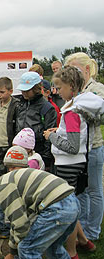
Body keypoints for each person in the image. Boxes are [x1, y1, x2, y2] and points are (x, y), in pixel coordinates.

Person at [44, 66, 104, 259]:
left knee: (67, 209)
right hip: (76, 162)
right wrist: (59, 132)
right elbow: (74, 135)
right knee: (71, 205)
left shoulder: (71, 112)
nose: (57, 91)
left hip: (68, 164)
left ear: (71, 86)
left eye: (59, 87)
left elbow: (71, 146)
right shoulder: (77, 107)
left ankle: (71, 253)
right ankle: (84, 241)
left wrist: (52, 136)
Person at [0, 168, 79, 259]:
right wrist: (12, 253)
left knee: (27, 249)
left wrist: (15, 249)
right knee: (53, 247)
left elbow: (21, 225)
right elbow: (21, 220)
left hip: (56, 208)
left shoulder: (1, 189)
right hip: (70, 202)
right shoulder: (9, 181)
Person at [65, 52, 104, 242]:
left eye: (76, 69)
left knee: (95, 189)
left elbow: (101, 116)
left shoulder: (96, 89)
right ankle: (81, 231)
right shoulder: (75, 90)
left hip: (93, 146)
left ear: (87, 69)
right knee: (82, 189)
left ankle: (93, 231)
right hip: (79, 147)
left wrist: (83, 111)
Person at [15, 71, 57, 172]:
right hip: (19, 152)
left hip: (38, 154)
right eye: (22, 90)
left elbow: (49, 134)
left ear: (36, 89)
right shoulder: (20, 105)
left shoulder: (47, 108)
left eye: (27, 90)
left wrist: (46, 159)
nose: (24, 93)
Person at [0, 77, 19, 173]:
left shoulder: (16, 106)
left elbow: (18, 127)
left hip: (10, 145)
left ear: (10, 91)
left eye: (2, 92)